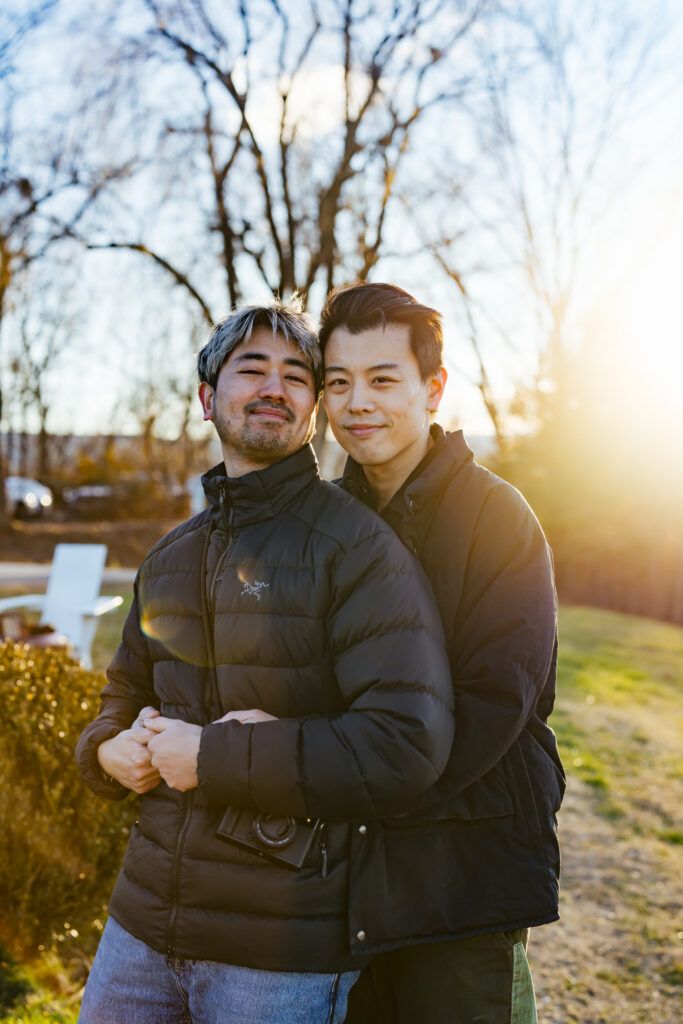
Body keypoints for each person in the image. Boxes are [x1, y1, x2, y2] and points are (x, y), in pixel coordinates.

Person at [75, 299, 455, 1024]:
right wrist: (106, 750)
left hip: (278, 950)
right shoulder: (169, 554)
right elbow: (122, 689)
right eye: (252, 369)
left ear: (313, 409)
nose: (274, 387)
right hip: (139, 927)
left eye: (296, 375)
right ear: (207, 397)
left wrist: (218, 755)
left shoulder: (357, 548)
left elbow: (405, 743)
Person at [318, 282, 564, 1024]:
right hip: (345, 883)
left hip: (464, 868)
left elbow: (497, 700)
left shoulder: (496, 517)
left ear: (433, 388)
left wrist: (354, 780)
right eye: (338, 381)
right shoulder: (322, 522)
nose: (357, 402)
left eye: (382, 379)